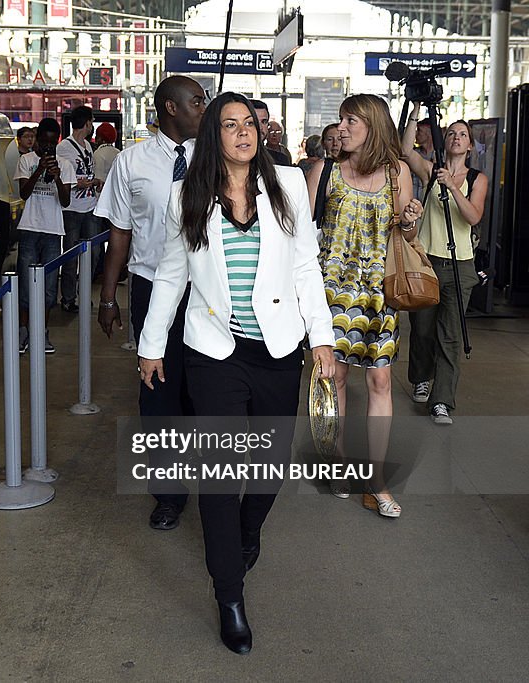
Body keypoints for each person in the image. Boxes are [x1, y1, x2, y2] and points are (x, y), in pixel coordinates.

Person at [137, 92, 335, 655]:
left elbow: (305, 268)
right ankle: (229, 596)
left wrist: (321, 338)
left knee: (268, 469)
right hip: (214, 352)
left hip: (277, 351)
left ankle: (250, 534)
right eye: (230, 125)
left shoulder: (289, 185)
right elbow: (170, 277)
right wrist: (152, 346)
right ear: (212, 136)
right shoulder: (187, 197)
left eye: (250, 123)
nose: (244, 133)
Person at [96, 75, 207, 531]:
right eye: (197, 101)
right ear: (169, 108)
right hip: (149, 285)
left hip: (205, 291)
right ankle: (168, 495)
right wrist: (108, 295)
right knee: (158, 390)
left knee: (205, 387)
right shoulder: (131, 162)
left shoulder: (216, 159)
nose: (205, 107)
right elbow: (119, 232)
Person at [306, 94, 424, 518]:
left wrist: (410, 221)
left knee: (380, 384)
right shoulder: (325, 172)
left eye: (351, 120)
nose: (342, 128)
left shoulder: (399, 173)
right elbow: (303, 238)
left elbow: (407, 239)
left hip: (378, 293)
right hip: (330, 293)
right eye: (340, 120)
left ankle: (376, 482)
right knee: (332, 380)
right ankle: (337, 464)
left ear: (373, 125)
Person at [401, 109, 488, 425]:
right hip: (426, 262)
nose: (456, 137)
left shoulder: (477, 179)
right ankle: (421, 377)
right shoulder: (430, 171)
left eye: (462, 134)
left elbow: (473, 216)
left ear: (469, 146)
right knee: (422, 329)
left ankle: (442, 401)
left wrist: (452, 186)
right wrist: (413, 115)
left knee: (450, 334)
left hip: (460, 265)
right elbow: (405, 151)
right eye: (451, 133)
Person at [14, 118, 76, 353]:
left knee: (50, 287)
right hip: (29, 228)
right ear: (38, 139)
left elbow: (66, 200)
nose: (48, 146)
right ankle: (23, 330)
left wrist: (57, 176)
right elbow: (23, 194)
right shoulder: (26, 160)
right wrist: (39, 169)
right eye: (44, 142)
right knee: (25, 284)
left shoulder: (66, 165)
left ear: (57, 142)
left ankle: (42, 332)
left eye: (52, 143)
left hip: (53, 230)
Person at [57, 106, 103, 313]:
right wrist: (78, 183)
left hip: (90, 206)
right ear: (86, 123)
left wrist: (94, 182)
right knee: (70, 255)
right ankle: (68, 297)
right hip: (72, 209)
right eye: (91, 122)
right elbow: (60, 177)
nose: (91, 126)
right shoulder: (64, 147)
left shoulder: (87, 146)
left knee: (93, 254)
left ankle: (83, 294)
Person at [249, 100, 292, 166]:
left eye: (264, 122)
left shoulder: (281, 160)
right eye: (254, 121)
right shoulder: (232, 158)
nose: (260, 127)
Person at [410, 117, 435, 203]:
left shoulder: (441, 156)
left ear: (429, 133)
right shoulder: (413, 154)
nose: (416, 133)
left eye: (419, 130)